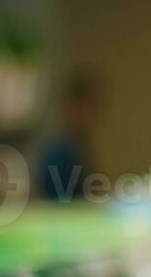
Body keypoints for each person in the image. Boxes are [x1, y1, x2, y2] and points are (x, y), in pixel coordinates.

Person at [34, 69, 103, 202]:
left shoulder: (77, 146)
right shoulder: (59, 151)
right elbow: (63, 204)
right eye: (88, 108)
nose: (94, 117)